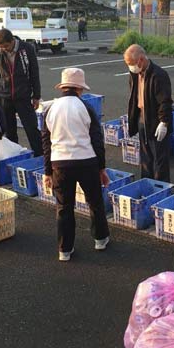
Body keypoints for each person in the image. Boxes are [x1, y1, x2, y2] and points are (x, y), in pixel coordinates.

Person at [41, 68, 110, 262]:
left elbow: (46, 143)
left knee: (64, 207)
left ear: (63, 87)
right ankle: (100, 239)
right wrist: (101, 168)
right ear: (80, 89)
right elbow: (97, 140)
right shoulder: (85, 107)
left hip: (60, 164)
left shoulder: (50, 109)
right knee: (95, 202)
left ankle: (65, 249)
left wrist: (47, 172)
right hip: (86, 161)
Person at [124, 44, 173, 182]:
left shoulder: (159, 75)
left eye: (131, 63)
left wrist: (164, 122)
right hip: (141, 118)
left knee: (159, 158)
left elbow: (165, 101)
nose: (130, 67)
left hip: (156, 120)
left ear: (140, 60)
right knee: (145, 157)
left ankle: (161, 187)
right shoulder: (134, 74)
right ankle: (147, 184)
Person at [0, 28, 43, 157]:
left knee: (32, 129)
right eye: (0, 46)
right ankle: (14, 157)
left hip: (24, 96)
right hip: (5, 97)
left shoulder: (27, 49)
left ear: (12, 41)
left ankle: (40, 156)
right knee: (9, 132)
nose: (3, 49)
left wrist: (36, 96)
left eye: (6, 46)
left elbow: (34, 73)